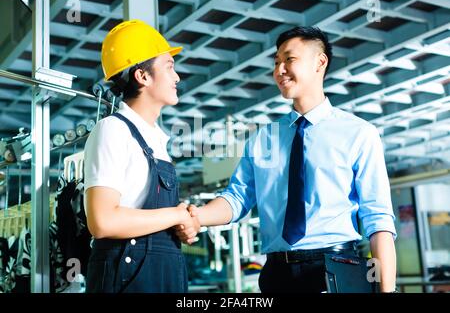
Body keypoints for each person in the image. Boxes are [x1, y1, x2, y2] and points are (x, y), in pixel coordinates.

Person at [177, 26, 397, 293]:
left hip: (337, 269)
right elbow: (236, 199)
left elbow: (378, 221)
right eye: (276, 62)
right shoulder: (262, 139)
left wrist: (386, 290)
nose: (279, 70)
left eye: (289, 59)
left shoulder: (359, 133)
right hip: (276, 274)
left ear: (320, 62)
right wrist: (196, 216)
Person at [84, 19, 198, 293]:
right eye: (169, 67)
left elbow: (150, 213)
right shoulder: (112, 129)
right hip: (128, 278)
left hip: (163, 276)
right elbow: (103, 221)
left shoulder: (157, 140)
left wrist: (184, 225)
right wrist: (175, 215)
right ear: (143, 76)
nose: (177, 77)